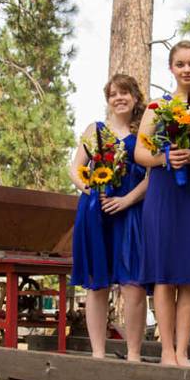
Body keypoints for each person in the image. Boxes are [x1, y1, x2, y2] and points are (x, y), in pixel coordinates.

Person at [135, 41, 190, 367]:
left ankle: (183, 352)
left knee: (189, 276)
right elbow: (140, 153)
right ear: (171, 68)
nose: (187, 69)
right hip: (164, 194)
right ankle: (166, 351)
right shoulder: (157, 107)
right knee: (164, 274)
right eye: (181, 64)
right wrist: (165, 157)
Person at [69, 74, 150, 361]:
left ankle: (134, 354)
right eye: (113, 94)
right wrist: (90, 189)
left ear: (135, 97)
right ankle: (99, 353)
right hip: (97, 214)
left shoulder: (144, 131)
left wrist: (127, 200)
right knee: (97, 283)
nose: (119, 98)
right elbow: (75, 168)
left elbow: (152, 176)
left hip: (131, 212)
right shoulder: (95, 130)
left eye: (125, 93)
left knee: (134, 285)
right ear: (108, 100)